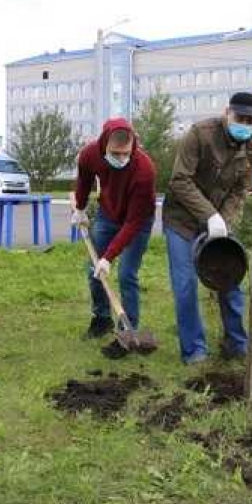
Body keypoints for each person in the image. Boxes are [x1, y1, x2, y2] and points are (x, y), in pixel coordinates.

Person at [162, 92, 252, 364]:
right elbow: (179, 180)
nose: (244, 123)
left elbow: (241, 190)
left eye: (251, 120)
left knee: (230, 277)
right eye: (240, 117)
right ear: (226, 112)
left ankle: (236, 345)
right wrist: (209, 215)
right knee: (185, 285)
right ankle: (194, 351)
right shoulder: (200, 134)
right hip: (181, 219)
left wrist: (223, 220)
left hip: (218, 221)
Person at [72, 118, 157, 346]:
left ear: (133, 146)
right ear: (104, 145)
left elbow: (132, 223)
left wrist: (109, 258)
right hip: (108, 213)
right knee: (94, 269)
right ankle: (101, 320)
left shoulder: (144, 169)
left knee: (127, 274)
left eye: (125, 154)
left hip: (137, 221)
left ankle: (128, 330)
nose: (121, 159)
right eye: (115, 153)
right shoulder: (90, 154)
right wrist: (80, 208)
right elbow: (84, 180)